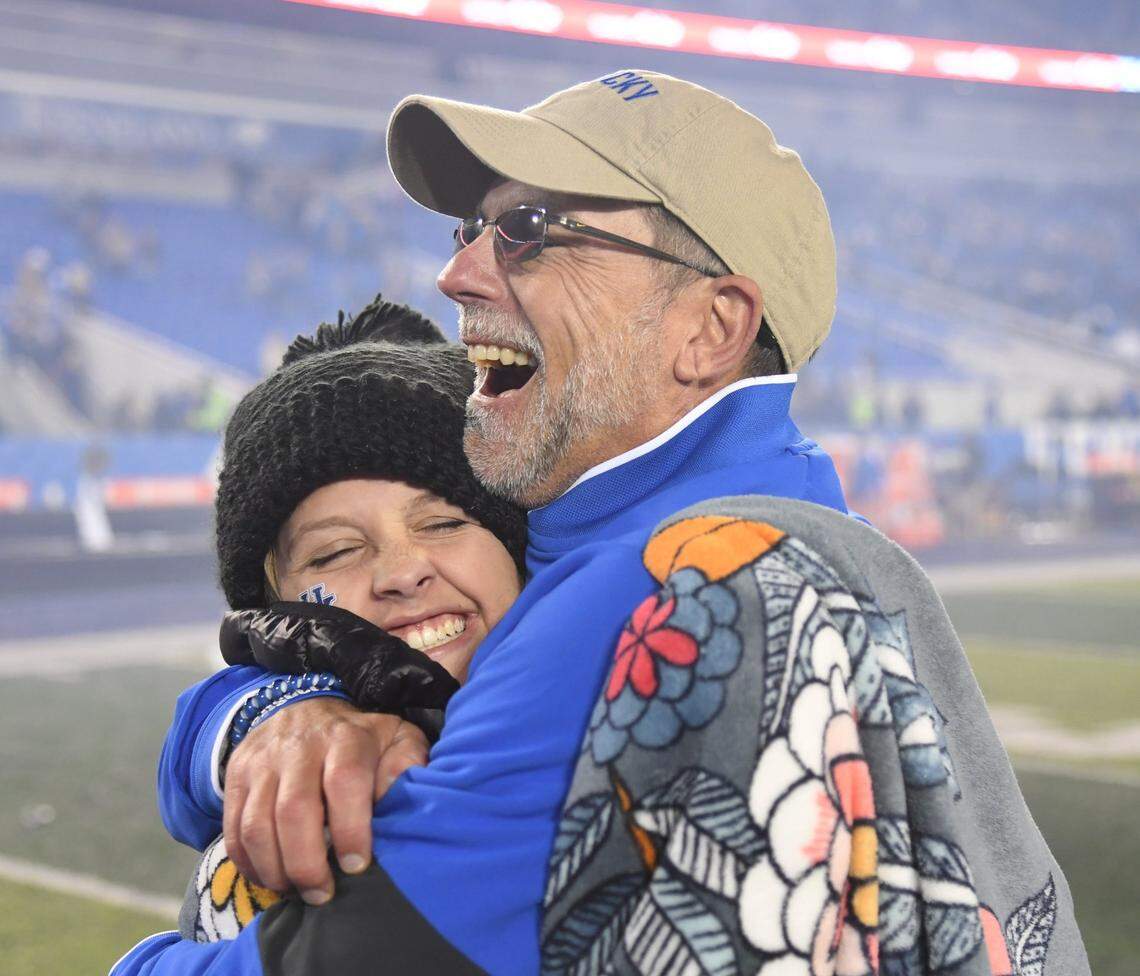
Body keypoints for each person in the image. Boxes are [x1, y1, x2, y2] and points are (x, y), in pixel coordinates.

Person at [116, 70, 1087, 975]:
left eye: (531, 229)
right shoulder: (814, 542)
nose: (457, 275)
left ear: (710, 327)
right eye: (471, 228)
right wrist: (263, 717)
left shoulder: (652, 595)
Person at [170, 294, 528, 943]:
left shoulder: (606, 653)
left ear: (517, 541)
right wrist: (272, 713)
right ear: (275, 606)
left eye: (445, 521)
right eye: (336, 551)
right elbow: (199, 729)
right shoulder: (289, 733)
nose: (401, 570)